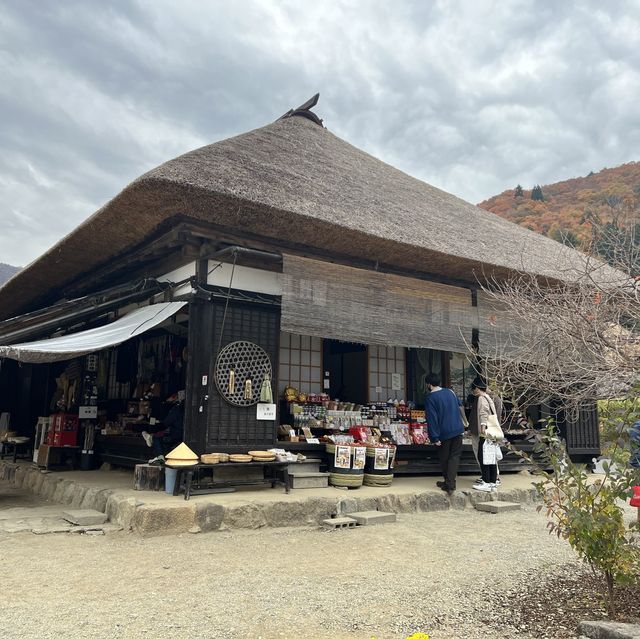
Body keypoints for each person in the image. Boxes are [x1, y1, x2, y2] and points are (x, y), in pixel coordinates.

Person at [424, 372, 465, 493]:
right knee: (454, 457)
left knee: (445, 459)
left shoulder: (431, 398)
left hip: (444, 433)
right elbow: (460, 406)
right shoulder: (450, 392)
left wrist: (435, 437)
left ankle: (450, 484)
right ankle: (449, 482)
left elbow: (432, 419)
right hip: (457, 429)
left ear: (429, 385)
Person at [470, 377, 499, 492]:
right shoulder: (488, 397)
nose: (473, 391)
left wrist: (482, 430)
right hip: (492, 432)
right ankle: (493, 482)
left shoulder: (481, 398)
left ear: (477, 388)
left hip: (485, 432)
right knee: (491, 457)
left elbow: (483, 414)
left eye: (474, 389)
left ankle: (486, 482)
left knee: (483, 457)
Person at [142, 395, 184, 462]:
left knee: (157, 438)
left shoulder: (176, 409)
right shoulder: (185, 410)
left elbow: (166, 422)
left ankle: (160, 457)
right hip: (182, 435)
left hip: (176, 435)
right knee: (160, 437)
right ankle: (150, 438)